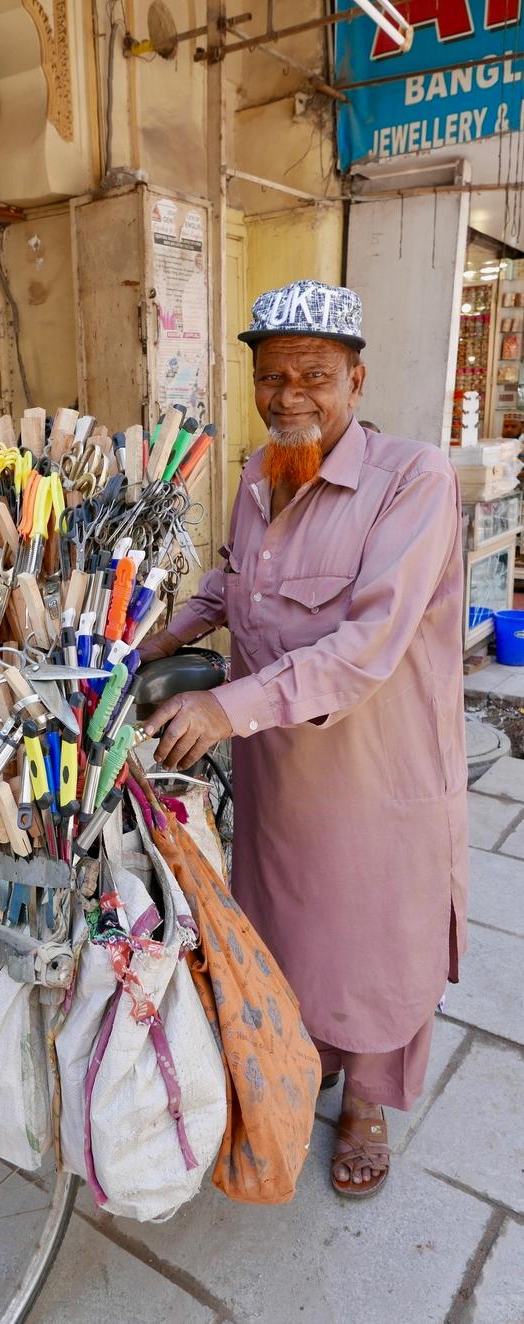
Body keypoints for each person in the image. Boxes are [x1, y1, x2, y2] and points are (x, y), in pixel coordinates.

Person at [140, 279, 467, 1199]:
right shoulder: (258, 471)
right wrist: (160, 634)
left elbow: (366, 648)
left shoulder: (413, 479)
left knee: (374, 943)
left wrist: (221, 708)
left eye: (313, 376)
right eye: (271, 376)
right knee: (289, 925)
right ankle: (311, 1047)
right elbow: (232, 577)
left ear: (355, 382)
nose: (289, 397)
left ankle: (366, 1100)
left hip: (376, 772)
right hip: (277, 767)